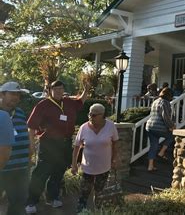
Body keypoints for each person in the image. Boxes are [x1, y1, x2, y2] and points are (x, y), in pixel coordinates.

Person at [25, 80, 89, 214]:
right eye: (56, 89)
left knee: (58, 172)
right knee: (41, 172)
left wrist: (86, 89)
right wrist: (31, 145)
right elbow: (31, 127)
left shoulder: (68, 102)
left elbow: (81, 101)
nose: (59, 91)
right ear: (50, 91)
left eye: (61, 88)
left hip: (65, 143)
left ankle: (52, 197)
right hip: (48, 144)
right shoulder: (43, 105)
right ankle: (31, 201)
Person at [72, 103, 119, 213]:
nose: (90, 117)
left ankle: (98, 210)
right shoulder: (84, 127)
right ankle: (81, 211)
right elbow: (76, 147)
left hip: (104, 167)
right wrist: (74, 164)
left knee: (99, 192)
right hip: (87, 167)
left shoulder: (110, 126)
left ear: (102, 115)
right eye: (89, 114)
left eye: (94, 115)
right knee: (84, 192)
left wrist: (115, 159)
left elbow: (116, 144)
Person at [0, 82, 32, 215]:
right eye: (12, 94)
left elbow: (25, 135)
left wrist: (29, 156)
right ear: (2, 94)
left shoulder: (19, 112)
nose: (16, 97)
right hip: (1, 170)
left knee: (18, 205)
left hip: (20, 171)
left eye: (18, 95)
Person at [145, 88, 175, 171]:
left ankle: (150, 166)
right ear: (169, 95)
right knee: (171, 135)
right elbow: (165, 116)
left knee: (153, 146)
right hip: (159, 127)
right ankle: (161, 152)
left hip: (149, 127)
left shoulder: (156, 101)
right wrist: (172, 126)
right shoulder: (165, 102)